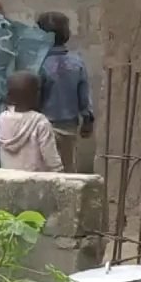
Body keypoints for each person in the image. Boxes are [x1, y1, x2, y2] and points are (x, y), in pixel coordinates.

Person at [36, 11, 94, 171]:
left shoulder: (38, 65)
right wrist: (88, 120)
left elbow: (35, 97)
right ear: (67, 34)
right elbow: (84, 96)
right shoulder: (77, 62)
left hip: (43, 126)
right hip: (69, 126)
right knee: (68, 169)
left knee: (45, 170)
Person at [0, 71, 63, 173]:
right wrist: (60, 173)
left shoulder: (1, 119)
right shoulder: (40, 122)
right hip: (35, 182)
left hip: (8, 179)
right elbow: (51, 159)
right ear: (35, 95)